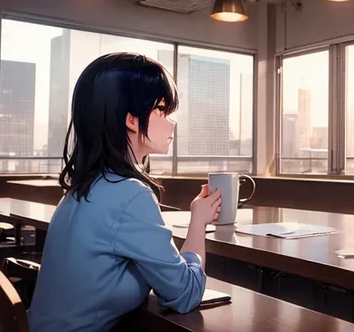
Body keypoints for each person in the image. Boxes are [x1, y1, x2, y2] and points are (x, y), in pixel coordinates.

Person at [27, 53, 222, 331]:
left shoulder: (82, 189)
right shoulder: (130, 194)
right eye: (162, 110)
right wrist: (199, 222)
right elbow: (185, 294)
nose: (171, 123)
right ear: (131, 118)